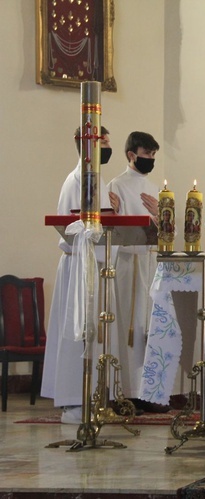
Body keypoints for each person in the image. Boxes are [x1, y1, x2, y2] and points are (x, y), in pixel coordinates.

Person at [41, 126, 113, 424]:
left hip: (89, 265)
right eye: (103, 142)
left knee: (89, 332)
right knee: (75, 332)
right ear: (84, 145)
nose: (107, 147)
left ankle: (90, 396)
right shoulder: (79, 180)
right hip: (77, 265)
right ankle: (73, 401)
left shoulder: (96, 179)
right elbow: (77, 227)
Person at [107, 131, 169, 413]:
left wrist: (162, 215)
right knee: (128, 330)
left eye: (154, 155)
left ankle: (149, 392)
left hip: (150, 264)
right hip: (128, 266)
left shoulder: (155, 188)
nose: (151, 159)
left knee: (150, 329)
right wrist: (115, 213)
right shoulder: (116, 186)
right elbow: (112, 228)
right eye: (147, 154)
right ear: (132, 154)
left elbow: (169, 233)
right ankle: (124, 393)